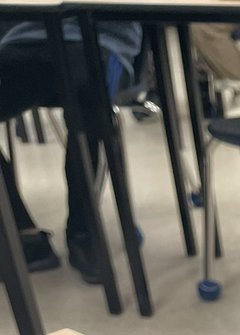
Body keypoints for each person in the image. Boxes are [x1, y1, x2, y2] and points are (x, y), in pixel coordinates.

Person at [0, 19, 142, 283]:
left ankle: (83, 230)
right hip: (23, 38)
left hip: (100, 36)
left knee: (89, 100)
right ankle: (22, 233)